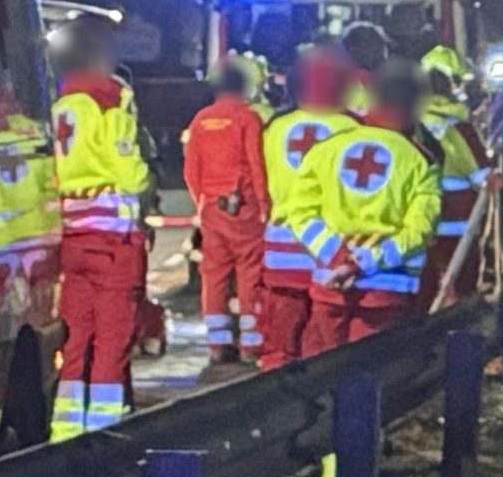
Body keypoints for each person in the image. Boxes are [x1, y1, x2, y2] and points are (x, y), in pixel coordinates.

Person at [46, 13, 153, 436]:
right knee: (113, 337)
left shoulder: (60, 103)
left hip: (72, 236)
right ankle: (106, 430)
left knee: (75, 335)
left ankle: (66, 428)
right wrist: (143, 184)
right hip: (112, 239)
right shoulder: (109, 97)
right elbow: (126, 167)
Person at [298, 69, 442, 348]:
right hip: (385, 291)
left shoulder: (325, 149)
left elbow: (301, 214)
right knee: (370, 377)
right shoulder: (420, 160)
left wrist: (339, 259)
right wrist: (363, 263)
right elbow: (419, 231)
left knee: (320, 376)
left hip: (330, 284)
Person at [259, 48, 359, 367]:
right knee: (324, 336)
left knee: (281, 334)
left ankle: (274, 400)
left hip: (282, 244)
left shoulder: (276, 126)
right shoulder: (354, 128)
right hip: (329, 246)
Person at [180, 62, 269, 366]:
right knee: (250, 272)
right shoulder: (248, 118)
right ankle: (250, 344)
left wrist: (202, 203)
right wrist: (264, 206)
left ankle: (218, 345)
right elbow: (256, 166)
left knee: (214, 275)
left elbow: (191, 171)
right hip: (244, 208)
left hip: (212, 209)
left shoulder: (200, 120)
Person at [415, 42, 489, 301]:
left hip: (419, 231)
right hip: (458, 230)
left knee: (422, 301)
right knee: (461, 300)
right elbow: (483, 178)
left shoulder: (408, 124)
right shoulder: (459, 128)